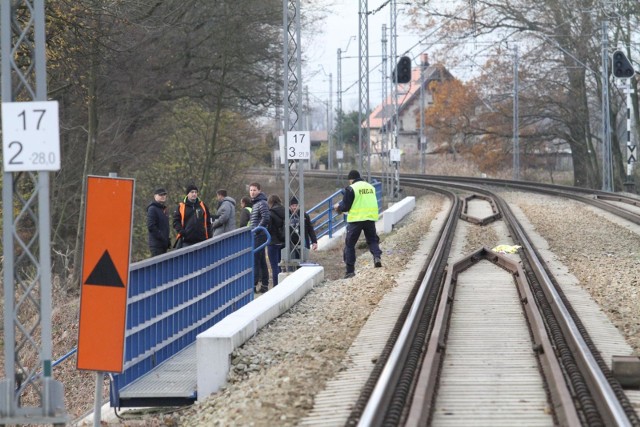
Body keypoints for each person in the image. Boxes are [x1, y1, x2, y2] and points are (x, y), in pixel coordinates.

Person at [333, 170, 382, 278]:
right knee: (372, 240)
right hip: (370, 218)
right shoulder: (371, 187)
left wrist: (338, 207)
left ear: (351, 179)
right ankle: (377, 257)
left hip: (356, 220)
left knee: (350, 245)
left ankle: (350, 271)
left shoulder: (351, 188)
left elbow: (346, 207)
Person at [249, 182, 270, 293]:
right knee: (261, 260)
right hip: (257, 234)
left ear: (259, 191)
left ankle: (253, 284)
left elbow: (266, 218)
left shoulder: (261, 203)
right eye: (251, 190)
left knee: (255, 260)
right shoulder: (256, 203)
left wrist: (257, 230)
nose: (252, 192)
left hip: (259, 235)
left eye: (254, 190)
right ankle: (264, 284)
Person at [266, 194, 286, 287]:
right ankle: (282, 285)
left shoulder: (270, 213)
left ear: (270, 202)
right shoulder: (285, 211)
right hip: (283, 241)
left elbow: (269, 228)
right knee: (280, 265)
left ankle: (276, 286)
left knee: (274, 266)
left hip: (273, 242)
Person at [146, 187, 171, 256]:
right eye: (160, 195)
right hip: (156, 245)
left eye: (164, 195)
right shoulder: (152, 209)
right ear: (155, 196)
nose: (163, 196)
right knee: (157, 265)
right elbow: (151, 226)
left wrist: (167, 239)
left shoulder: (164, 210)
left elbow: (164, 227)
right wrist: (162, 237)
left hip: (163, 244)